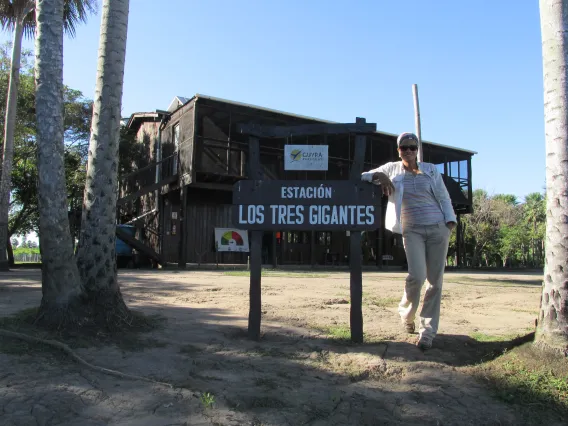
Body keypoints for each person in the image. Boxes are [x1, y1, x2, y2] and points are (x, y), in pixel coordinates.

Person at [361, 132, 456, 350]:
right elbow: (364, 175)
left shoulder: (430, 169)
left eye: (413, 147)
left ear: (417, 149)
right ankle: (407, 314)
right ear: (399, 150)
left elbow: (442, 196)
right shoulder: (392, 168)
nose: (409, 151)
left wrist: (450, 222)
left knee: (435, 281)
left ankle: (427, 332)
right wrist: (379, 177)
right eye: (404, 148)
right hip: (411, 229)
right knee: (417, 276)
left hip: (438, 228)